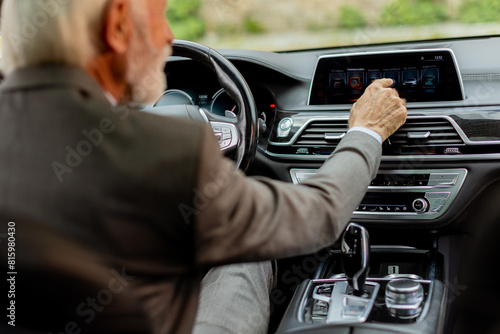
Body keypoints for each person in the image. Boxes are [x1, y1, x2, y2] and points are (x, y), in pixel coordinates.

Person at [0, 0, 406, 333]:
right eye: (160, 17)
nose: (170, 38)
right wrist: (366, 132)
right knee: (248, 251)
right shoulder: (165, 149)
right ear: (119, 25)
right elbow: (319, 215)